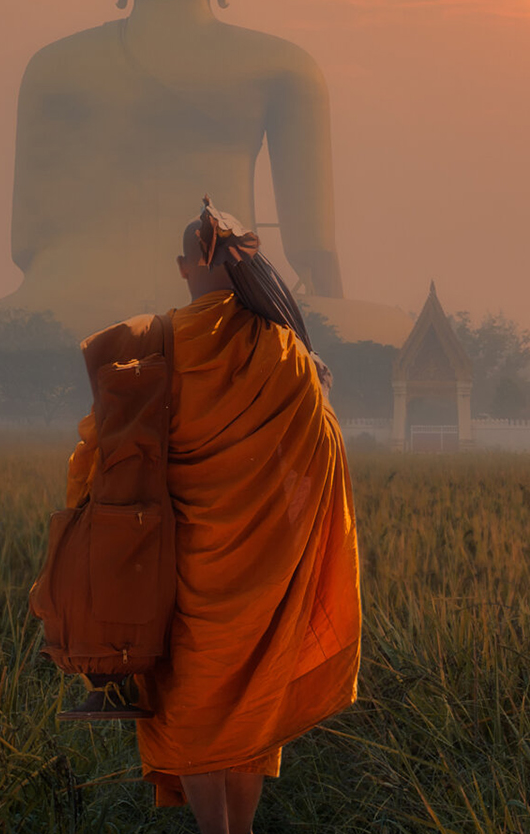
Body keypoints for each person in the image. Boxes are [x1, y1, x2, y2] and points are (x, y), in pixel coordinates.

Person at [57, 202, 360, 832]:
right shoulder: (284, 350)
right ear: (240, 263)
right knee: (249, 702)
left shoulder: (152, 342)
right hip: (262, 571)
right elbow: (320, 460)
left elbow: (103, 457)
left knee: (191, 708)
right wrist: (278, 535)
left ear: (185, 265)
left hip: (176, 571)